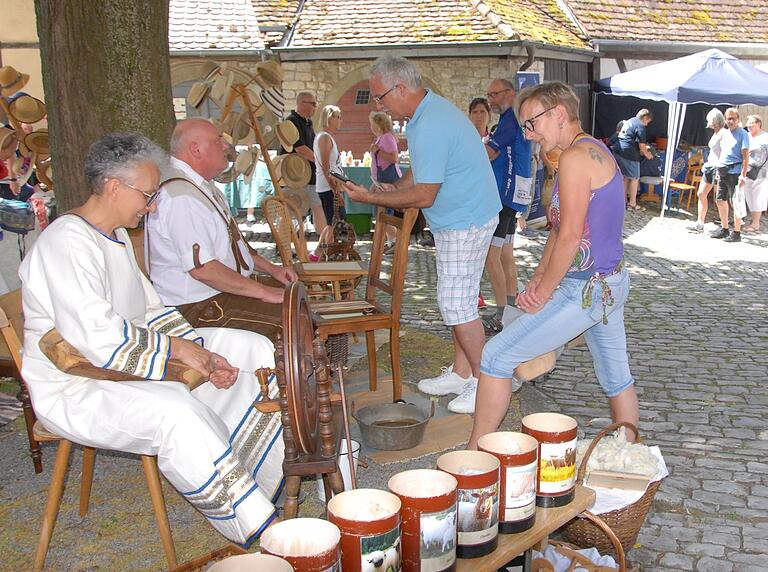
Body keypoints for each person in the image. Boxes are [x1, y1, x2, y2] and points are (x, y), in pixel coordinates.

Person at [19, 132, 285, 544]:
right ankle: (256, 526)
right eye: (147, 195)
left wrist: (200, 354)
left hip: (119, 363)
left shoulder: (117, 236)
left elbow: (149, 310)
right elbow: (98, 338)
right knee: (176, 408)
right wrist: (180, 353)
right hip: (75, 385)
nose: (152, 205)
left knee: (251, 347)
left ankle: (262, 475)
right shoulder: (66, 242)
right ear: (112, 188)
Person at [467, 81, 638, 448]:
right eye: (525, 126)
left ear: (559, 114)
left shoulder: (577, 159)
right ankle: (630, 454)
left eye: (532, 123)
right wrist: (539, 280)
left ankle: (474, 457)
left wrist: (544, 293)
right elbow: (558, 231)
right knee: (615, 377)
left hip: (590, 289)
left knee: (495, 356)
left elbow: (571, 236)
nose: (529, 134)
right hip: (606, 284)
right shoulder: (581, 152)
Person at [339, 55, 501, 414]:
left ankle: (486, 382)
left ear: (400, 88)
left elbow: (425, 193)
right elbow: (422, 171)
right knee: (461, 299)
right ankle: (462, 373)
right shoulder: (425, 116)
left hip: (465, 219)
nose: (379, 104)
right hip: (464, 216)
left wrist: (369, 197)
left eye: (380, 97)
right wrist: (391, 190)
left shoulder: (428, 123)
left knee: (456, 305)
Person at [146, 118, 296, 341]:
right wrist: (263, 292)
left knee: (296, 295)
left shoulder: (199, 185)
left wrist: (272, 270)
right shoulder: (181, 197)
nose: (225, 146)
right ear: (195, 149)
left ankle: (302, 371)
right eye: (218, 140)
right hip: (194, 306)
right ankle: (284, 374)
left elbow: (234, 242)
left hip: (215, 293)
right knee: (291, 316)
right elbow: (203, 270)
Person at [482, 78, 533, 331]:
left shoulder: (510, 120)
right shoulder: (513, 119)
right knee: (505, 254)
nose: (491, 100)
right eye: (488, 95)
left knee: (491, 256)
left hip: (503, 196)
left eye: (495, 94)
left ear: (510, 93)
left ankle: (502, 314)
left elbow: (490, 153)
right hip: (514, 196)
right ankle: (511, 309)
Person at [280, 91, 327, 234]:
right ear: (302, 103)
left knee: (318, 206)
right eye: (312, 104)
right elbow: (300, 148)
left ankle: (324, 243)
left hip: (309, 175)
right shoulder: (291, 122)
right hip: (294, 175)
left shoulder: (308, 122)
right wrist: (320, 162)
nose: (315, 107)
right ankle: (283, 245)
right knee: (291, 211)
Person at [710, 108, 749, 242]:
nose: (730, 121)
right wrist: (718, 170)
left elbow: (745, 157)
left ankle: (737, 232)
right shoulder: (725, 134)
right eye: (728, 118)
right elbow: (723, 152)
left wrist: (743, 175)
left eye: (733, 118)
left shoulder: (743, 134)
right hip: (723, 171)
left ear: (738, 119)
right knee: (720, 200)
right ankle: (724, 228)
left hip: (735, 172)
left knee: (735, 202)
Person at [313, 104, 346, 254]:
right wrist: (336, 192)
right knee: (334, 223)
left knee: (331, 224)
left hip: (331, 185)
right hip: (328, 187)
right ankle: (325, 254)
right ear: (329, 119)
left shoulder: (326, 137)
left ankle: (318, 253)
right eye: (337, 117)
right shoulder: (324, 138)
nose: (340, 120)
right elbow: (326, 168)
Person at [369, 111, 403, 253]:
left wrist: (377, 151)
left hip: (388, 178)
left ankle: (396, 241)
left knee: (384, 213)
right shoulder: (381, 138)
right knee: (381, 212)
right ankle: (391, 241)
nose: (371, 127)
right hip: (381, 179)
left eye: (372, 124)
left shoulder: (387, 138)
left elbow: (394, 159)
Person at [689, 109, 725, 232]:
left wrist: (720, 169)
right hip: (710, 166)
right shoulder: (716, 133)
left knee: (720, 198)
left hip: (718, 168)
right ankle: (700, 223)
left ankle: (723, 224)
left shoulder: (723, 133)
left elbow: (725, 153)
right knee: (701, 193)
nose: (708, 122)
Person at [615, 109, 654, 211]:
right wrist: (647, 154)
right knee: (635, 177)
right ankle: (632, 204)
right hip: (629, 153)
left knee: (626, 177)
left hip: (619, 150)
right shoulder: (640, 125)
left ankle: (622, 202)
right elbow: (642, 145)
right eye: (647, 122)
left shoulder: (630, 121)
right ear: (645, 118)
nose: (646, 125)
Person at [741, 115, 768, 233]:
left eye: (751, 123)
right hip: (746, 170)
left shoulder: (765, 137)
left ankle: (756, 223)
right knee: (748, 195)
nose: (748, 125)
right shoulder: (746, 136)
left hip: (761, 172)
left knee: (758, 196)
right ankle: (752, 220)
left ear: (758, 123)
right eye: (748, 123)